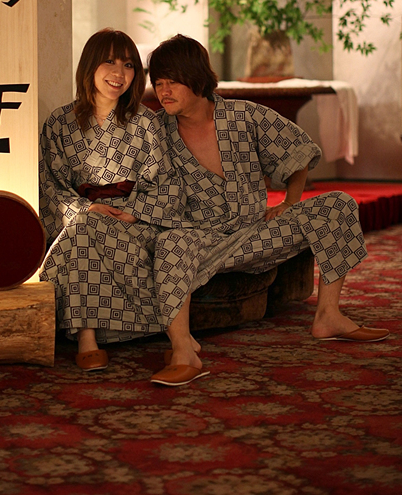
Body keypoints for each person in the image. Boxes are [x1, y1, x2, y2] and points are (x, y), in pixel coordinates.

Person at [145, 34, 389, 386]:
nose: (163, 91)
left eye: (172, 82)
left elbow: (299, 150)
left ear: (196, 78)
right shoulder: (156, 131)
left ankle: (329, 315)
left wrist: (289, 202)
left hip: (256, 234)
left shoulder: (244, 115)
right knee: (171, 242)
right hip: (201, 241)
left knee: (337, 204)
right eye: (158, 83)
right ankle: (184, 349)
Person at [39, 28, 195, 373]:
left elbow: (167, 184)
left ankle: (87, 337)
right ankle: (90, 336)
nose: (119, 73)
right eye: (109, 62)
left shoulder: (146, 123)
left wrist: (135, 212)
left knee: (81, 232)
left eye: (128, 65)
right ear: (90, 65)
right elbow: (48, 186)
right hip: (82, 216)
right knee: (83, 228)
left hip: (133, 223)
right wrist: (85, 207)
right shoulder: (59, 123)